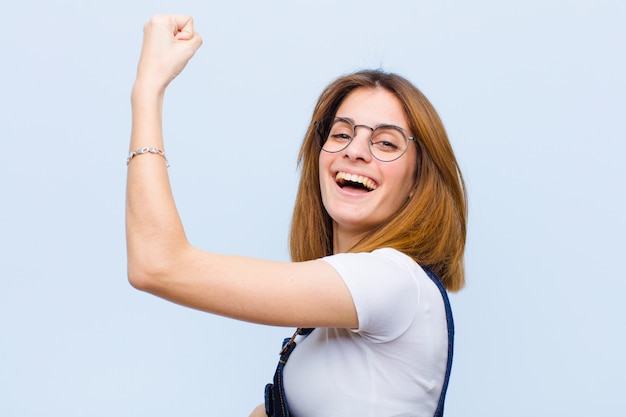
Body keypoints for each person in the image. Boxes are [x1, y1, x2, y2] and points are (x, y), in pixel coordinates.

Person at [126, 14, 467, 417]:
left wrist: (148, 90)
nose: (354, 150)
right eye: (341, 133)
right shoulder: (336, 315)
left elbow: (157, 265)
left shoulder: (392, 281)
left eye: (386, 142)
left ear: (417, 180)